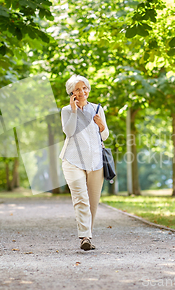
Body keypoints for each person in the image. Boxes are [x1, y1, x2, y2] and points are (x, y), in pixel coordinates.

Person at [59, 74, 109, 251]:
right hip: (73, 161)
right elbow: (69, 132)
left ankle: (88, 235)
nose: (82, 92)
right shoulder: (66, 110)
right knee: (81, 198)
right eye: (78, 89)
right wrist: (74, 110)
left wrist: (101, 125)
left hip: (95, 161)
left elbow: (105, 135)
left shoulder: (97, 109)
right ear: (72, 93)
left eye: (85, 88)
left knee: (93, 202)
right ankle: (84, 237)